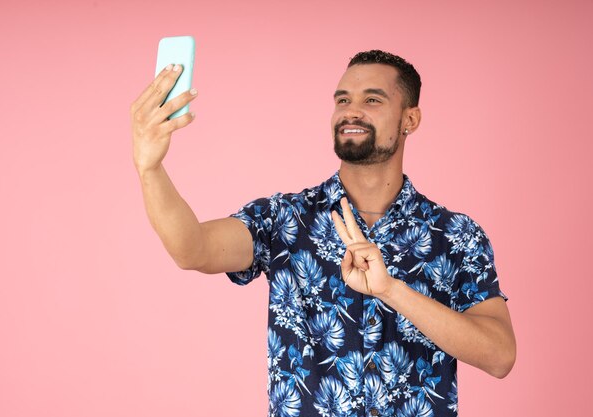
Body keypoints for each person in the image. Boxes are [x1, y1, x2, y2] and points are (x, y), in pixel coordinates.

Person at [130, 50, 516, 417]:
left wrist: (391, 290)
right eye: (342, 100)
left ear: (409, 120)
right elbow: (192, 249)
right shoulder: (284, 219)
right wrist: (151, 170)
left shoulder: (456, 234)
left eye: (373, 100)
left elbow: (499, 356)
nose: (352, 112)